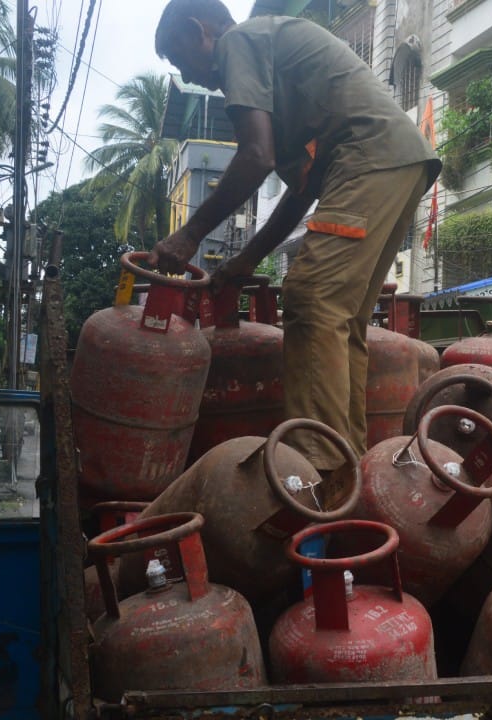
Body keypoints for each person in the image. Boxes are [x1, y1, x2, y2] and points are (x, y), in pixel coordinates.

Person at [148, 0, 439, 472]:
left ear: (200, 30)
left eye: (184, 60)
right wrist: (245, 260)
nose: (192, 75)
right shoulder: (271, 63)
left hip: (369, 157)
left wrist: (188, 235)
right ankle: (349, 464)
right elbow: (299, 192)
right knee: (341, 322)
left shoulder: (239, 42)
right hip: (398, 160)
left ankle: (316, 464)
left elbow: (255, 156)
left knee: (312, 299)